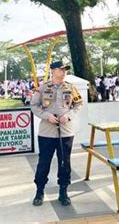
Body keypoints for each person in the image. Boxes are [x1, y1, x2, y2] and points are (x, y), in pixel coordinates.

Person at [30, 61, 83, 207]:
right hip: (47, 132)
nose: (64, 71)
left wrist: (69, 115)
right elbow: (33, 105)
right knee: (44, 163)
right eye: (61, 69)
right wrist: (47, 116)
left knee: (65, 162)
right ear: (53, 71)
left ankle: (63, 192)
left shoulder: (71, 88)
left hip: (66, 132)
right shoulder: (42, 88)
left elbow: (78, 104)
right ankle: (39, 191)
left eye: (65, 69)